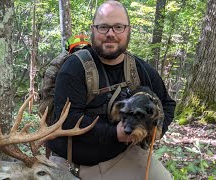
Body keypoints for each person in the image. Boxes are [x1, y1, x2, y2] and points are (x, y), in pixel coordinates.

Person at [47, 1, 176, 180]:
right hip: (73, 164)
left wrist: (155, 129)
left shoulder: (140, 69)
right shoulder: (74, 68)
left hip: (121, 157)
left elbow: (167, 103)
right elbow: (67, 120)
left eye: (118, 27)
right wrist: (114, 133)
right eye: (103, 27)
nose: (110, 34)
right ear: (93, 30)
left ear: (128, 30)